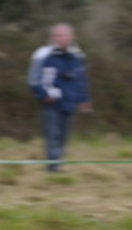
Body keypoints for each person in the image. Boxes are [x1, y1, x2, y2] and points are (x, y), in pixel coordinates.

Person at [27, 23, 92, 172]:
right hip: (51, 102)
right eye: (57, 35)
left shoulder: (77, 56)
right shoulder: (42, 54)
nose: (61, 38)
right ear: (51, 37)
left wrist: (83, 99)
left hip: (69, 102)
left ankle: (57, 163)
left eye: (64, 35)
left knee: (63, 136)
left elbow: (81, 80)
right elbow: (33, 79)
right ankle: (52, 166)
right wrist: (43, 94)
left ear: (71, 37)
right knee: (52, 134)